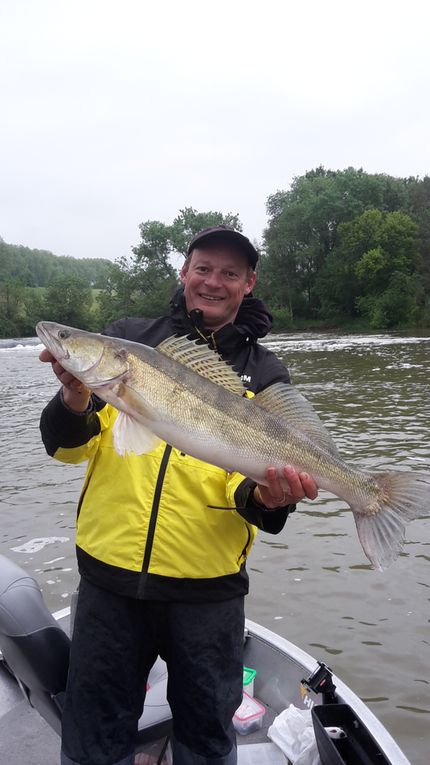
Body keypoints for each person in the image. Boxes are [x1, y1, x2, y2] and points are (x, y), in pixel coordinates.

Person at [39, 225, 318, 765]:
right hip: (109, 581)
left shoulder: (263, 372)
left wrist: (272, 498)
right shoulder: (130, 342)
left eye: (229, 273)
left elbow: (255, 499)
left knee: (207, 739)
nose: (214, 281)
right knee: (94, 735)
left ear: (248, 283)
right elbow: (69, 448)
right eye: (203, 268)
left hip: (207, 594)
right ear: (184, 272)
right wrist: (74, 399)